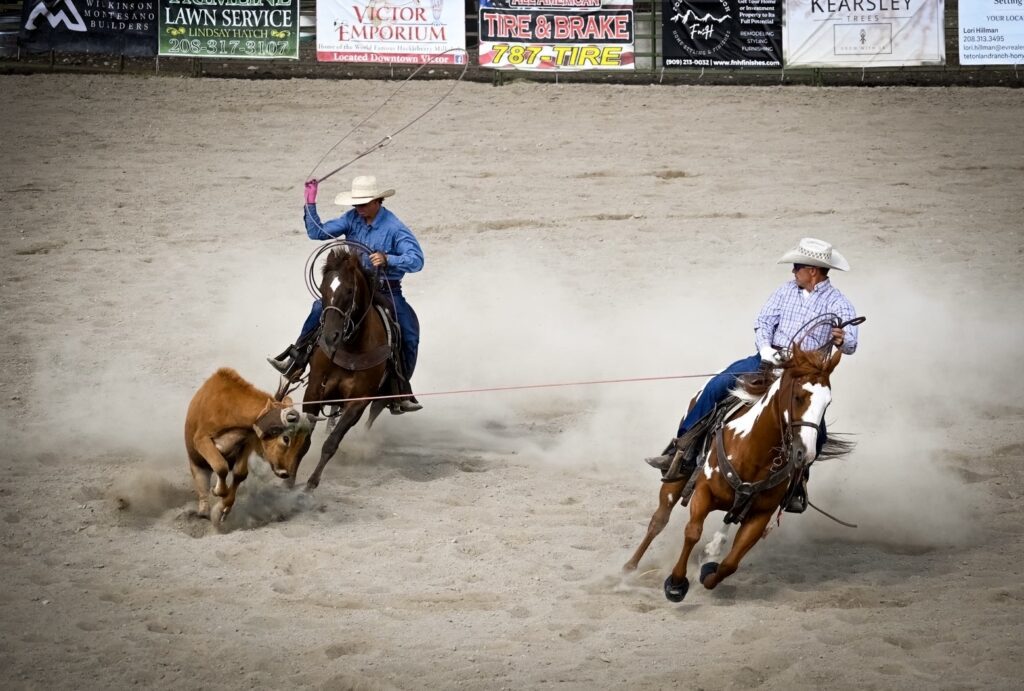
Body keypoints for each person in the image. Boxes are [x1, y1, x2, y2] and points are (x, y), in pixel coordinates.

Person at [646, 237, 859, 511]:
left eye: (797, 266)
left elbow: (852, 342)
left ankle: (796, 485)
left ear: (813, 271)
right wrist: (766, 348)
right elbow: (763, 322)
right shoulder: (784, 292)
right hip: (767, 361)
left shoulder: (839, 304)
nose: (793, 271)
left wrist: (842, 340)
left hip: (803, 376)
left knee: (818, 434)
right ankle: (682, 449)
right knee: (717, 385)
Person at [267, 174, 425, 414]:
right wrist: (310, 200)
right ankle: (297, 358)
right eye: (356, 204)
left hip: (385, 290)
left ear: (378, 201)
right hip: (353, 288)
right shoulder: (352, 218)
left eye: (363, 204)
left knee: (409, 333)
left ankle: (400, 389)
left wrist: (387, 259)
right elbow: (317, 232)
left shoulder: (395, 228)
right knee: (319, 308)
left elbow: (417, 260)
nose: (358, 208)